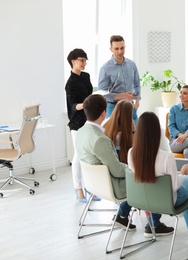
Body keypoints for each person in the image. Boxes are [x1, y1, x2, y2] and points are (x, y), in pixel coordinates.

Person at [128, 112, 188, 243]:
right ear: (156, 132)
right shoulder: (166, 157)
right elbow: (175, 186)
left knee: (153, 188)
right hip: (167, 202)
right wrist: (182, 173)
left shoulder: (131, 153)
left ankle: (152, 225)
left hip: (142, 200)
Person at [75, 94, 135, 229]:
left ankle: (123, 216)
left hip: (93, 185)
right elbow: (118, 171)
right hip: (111, 187)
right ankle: (154, 224)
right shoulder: (100, 139)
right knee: (145, 178)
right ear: (104, 113)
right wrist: (133, 168)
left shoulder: (81, 132)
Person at [65, 48, 100, 203]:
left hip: (89, 120)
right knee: (79, 156)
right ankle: (78, 189)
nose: (85, 63)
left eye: (86, 60)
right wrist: (86, 103)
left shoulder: (86, 77)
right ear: (73, 61)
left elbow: (90, 94)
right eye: (82, 60)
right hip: (77, 122)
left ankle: (91, 187)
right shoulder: (70, 83)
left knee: (90, 155)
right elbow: (73, 106)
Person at [98, 35, 140, 123]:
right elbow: (103, 94)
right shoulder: (105, 68)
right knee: (113, 136)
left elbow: (137, 84)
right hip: (112, 107)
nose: (120, 51)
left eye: (122, 48)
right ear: (111, 49)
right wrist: (124, 95)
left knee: (135, 134)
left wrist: (137, 102)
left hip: (130, 106)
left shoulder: (132, 64)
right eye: (116, 49)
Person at [103, 100, 135, 164]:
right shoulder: (129, 124)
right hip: (121, 159)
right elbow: (133, 143)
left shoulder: (107, 122)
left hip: (108, 158)